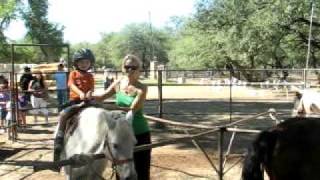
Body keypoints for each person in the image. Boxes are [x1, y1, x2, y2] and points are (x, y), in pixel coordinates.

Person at [95, 54, 151, 180]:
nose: (130, 70)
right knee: (122, 169)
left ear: (139, 69)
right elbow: (102, 97)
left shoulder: (142, 88)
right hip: (121, 133)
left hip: (139, 132)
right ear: (123, 68)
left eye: (133, 67)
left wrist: (108, 108)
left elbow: (132, 109)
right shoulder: (118, 83)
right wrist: (88, 97)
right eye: (127, 67)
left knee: (141, 170)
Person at [53, 48, 95, 162]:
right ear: (76, 63)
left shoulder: (90, 76)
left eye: (86, 62)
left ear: (90, 63)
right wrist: (80, 93)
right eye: (81, 62)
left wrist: (89, 93)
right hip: (75, 101)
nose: (84, 64)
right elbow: (71, 85)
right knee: (63, 115)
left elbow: (92, 87)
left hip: (88, 101)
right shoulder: (73, 73)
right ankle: (59, 139)